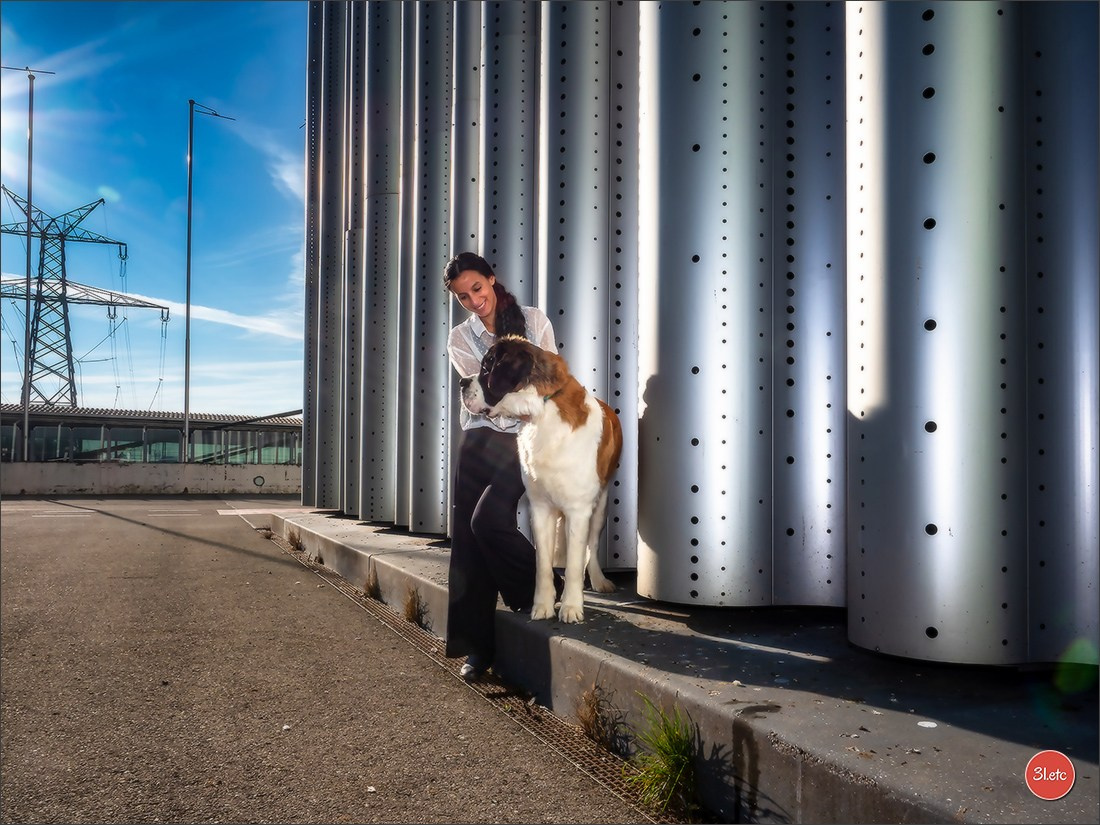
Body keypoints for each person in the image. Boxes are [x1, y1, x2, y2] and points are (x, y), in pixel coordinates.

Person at [443, 251, 558, 682]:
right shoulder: (460, 338)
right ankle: (478, 648)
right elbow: (482, 400)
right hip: (478, 440)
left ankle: (545, 590)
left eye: (477, 288)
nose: (474, 301)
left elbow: (549, 380)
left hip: (527, 439)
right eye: (463, 296)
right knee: (467, 542)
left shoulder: (532, 320)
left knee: (487, 521)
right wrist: (517, 398)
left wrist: (520, 402)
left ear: (491, 279)